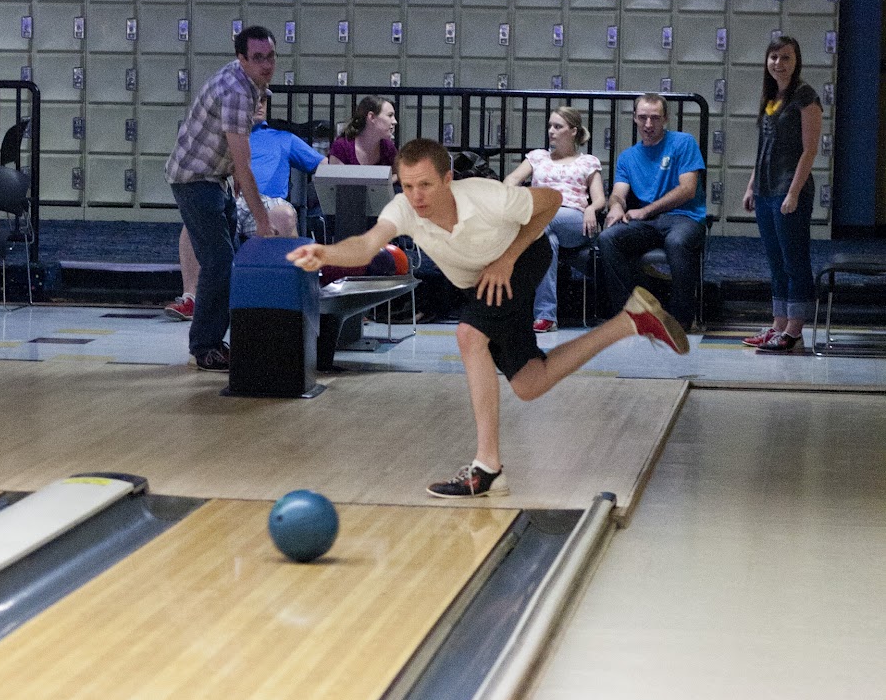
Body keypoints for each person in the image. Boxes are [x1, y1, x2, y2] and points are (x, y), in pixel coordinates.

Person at [288, 137, 689, 498]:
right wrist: (326, 253)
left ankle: (487, 468)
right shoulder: (404, 209)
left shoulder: (484, 196)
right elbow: (365, 245)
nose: (416, 196)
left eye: (425, 185)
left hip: (521, 258)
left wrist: (507, 258)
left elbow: (548, 201)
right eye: (407, 186)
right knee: (531, 382)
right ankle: (629, 321)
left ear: (447, 179)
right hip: (480, 281)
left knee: (468, 335)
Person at [164, 26, 278, 370]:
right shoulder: (237, 91)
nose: (266, 64)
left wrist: (233, 174)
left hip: (213, 177)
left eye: (270, 56)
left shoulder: (248, 83)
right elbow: (244, 163)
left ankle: (214, 339)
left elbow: (235, 156)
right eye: (257, 57)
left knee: (223, 262)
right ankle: (205, 346)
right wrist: (262, 222)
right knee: (218, 262)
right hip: (194, 179)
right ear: (241, 58)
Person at [164, 97, 324, 320]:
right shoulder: (225, 138)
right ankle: (191, 299)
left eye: (264, 101)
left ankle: (280, 300)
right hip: (232, 197)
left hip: (269, 201)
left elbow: (326, 166)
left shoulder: (283, 138)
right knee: (194, 221)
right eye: (253, 101)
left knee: (284, 215)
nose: (259, 105)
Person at [594, 94, 706, 332]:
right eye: (643, 117)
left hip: (684, 216)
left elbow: (687, 189)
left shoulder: (683, 143)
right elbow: (618, 193)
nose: (648, 124)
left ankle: (681, 319)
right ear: (634, 118)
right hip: (649, 222)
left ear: (665, 119)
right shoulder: (627, 157)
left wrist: (645, 210)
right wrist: (616, 206)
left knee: (677, 242)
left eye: (654, 118)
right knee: (608, 239)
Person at [741, 36, 823, 354]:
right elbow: (763, 148)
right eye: (774, 57)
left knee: (794, 262)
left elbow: (810, 149)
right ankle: (777, 325)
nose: (779, 63)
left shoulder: (805, 96)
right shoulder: (771, 96)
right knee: (776, 263)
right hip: (765, 190)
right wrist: (751, 187)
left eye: (786, 57)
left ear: (796, 61)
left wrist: (793, 193)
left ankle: (794, 329)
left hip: (789, 190)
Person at [504, 107, 605, 331]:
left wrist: (591, 209)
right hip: (543, 222)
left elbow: (600, 199)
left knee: (540, 222)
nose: (551, 131)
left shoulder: (588, 161)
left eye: (558, 126)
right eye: (550, 126)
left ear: (573, 131)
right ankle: (546, 317)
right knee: (546, 241)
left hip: (575, 219)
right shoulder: (537, 157)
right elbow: (511, 179)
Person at [327, 96, 398, 168]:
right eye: (390, 115)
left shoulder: (388, 148)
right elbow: (335, 178)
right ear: (372, 117)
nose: (395, 121)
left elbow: (397, 174)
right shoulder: (342, 147)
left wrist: (390, 179)